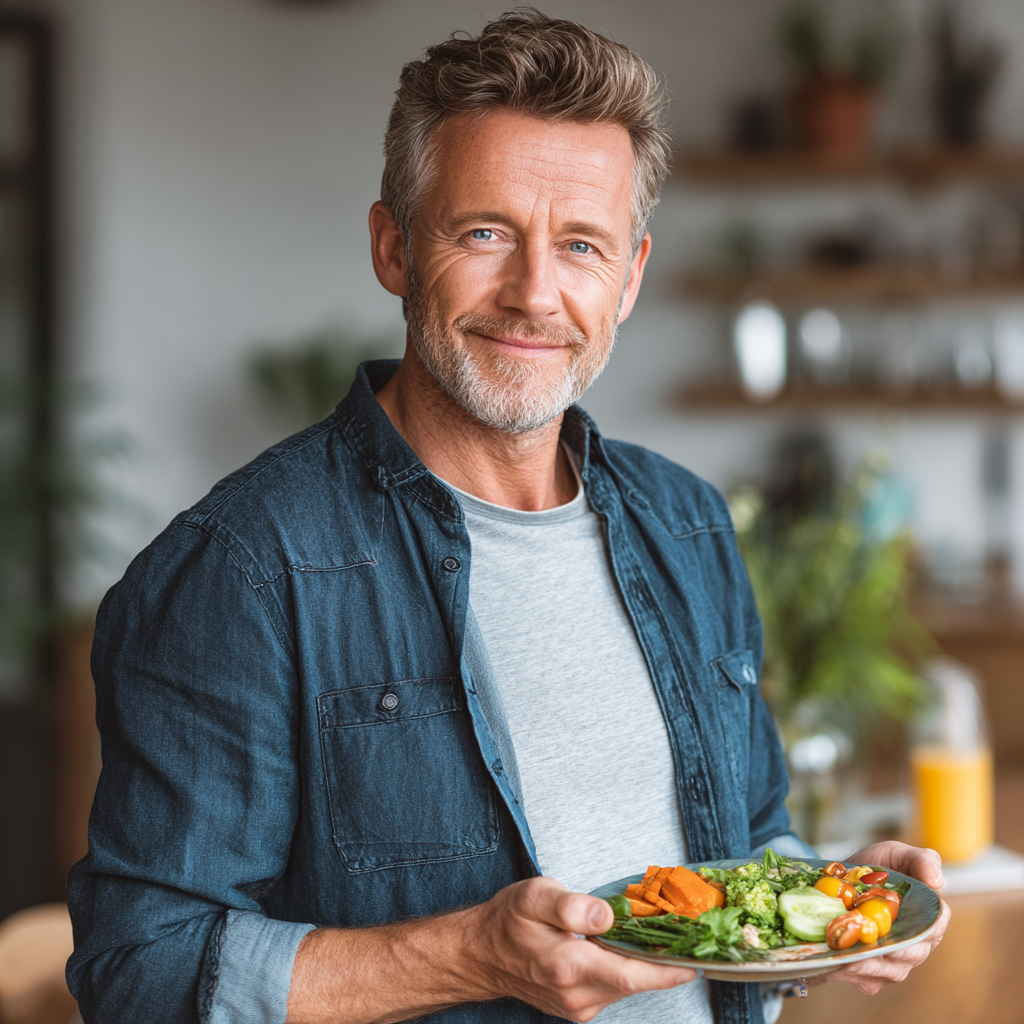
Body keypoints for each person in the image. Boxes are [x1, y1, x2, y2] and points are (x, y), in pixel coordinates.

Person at [67, 10, 949, 1024]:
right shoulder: (245, 566)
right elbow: (140, 971)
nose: (535, 293)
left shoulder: (689, 523)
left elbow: (741, 842)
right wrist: (470, 956)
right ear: (393, 247)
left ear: (628, 280)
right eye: (485, 232)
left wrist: (830, 898)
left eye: (581, 244)